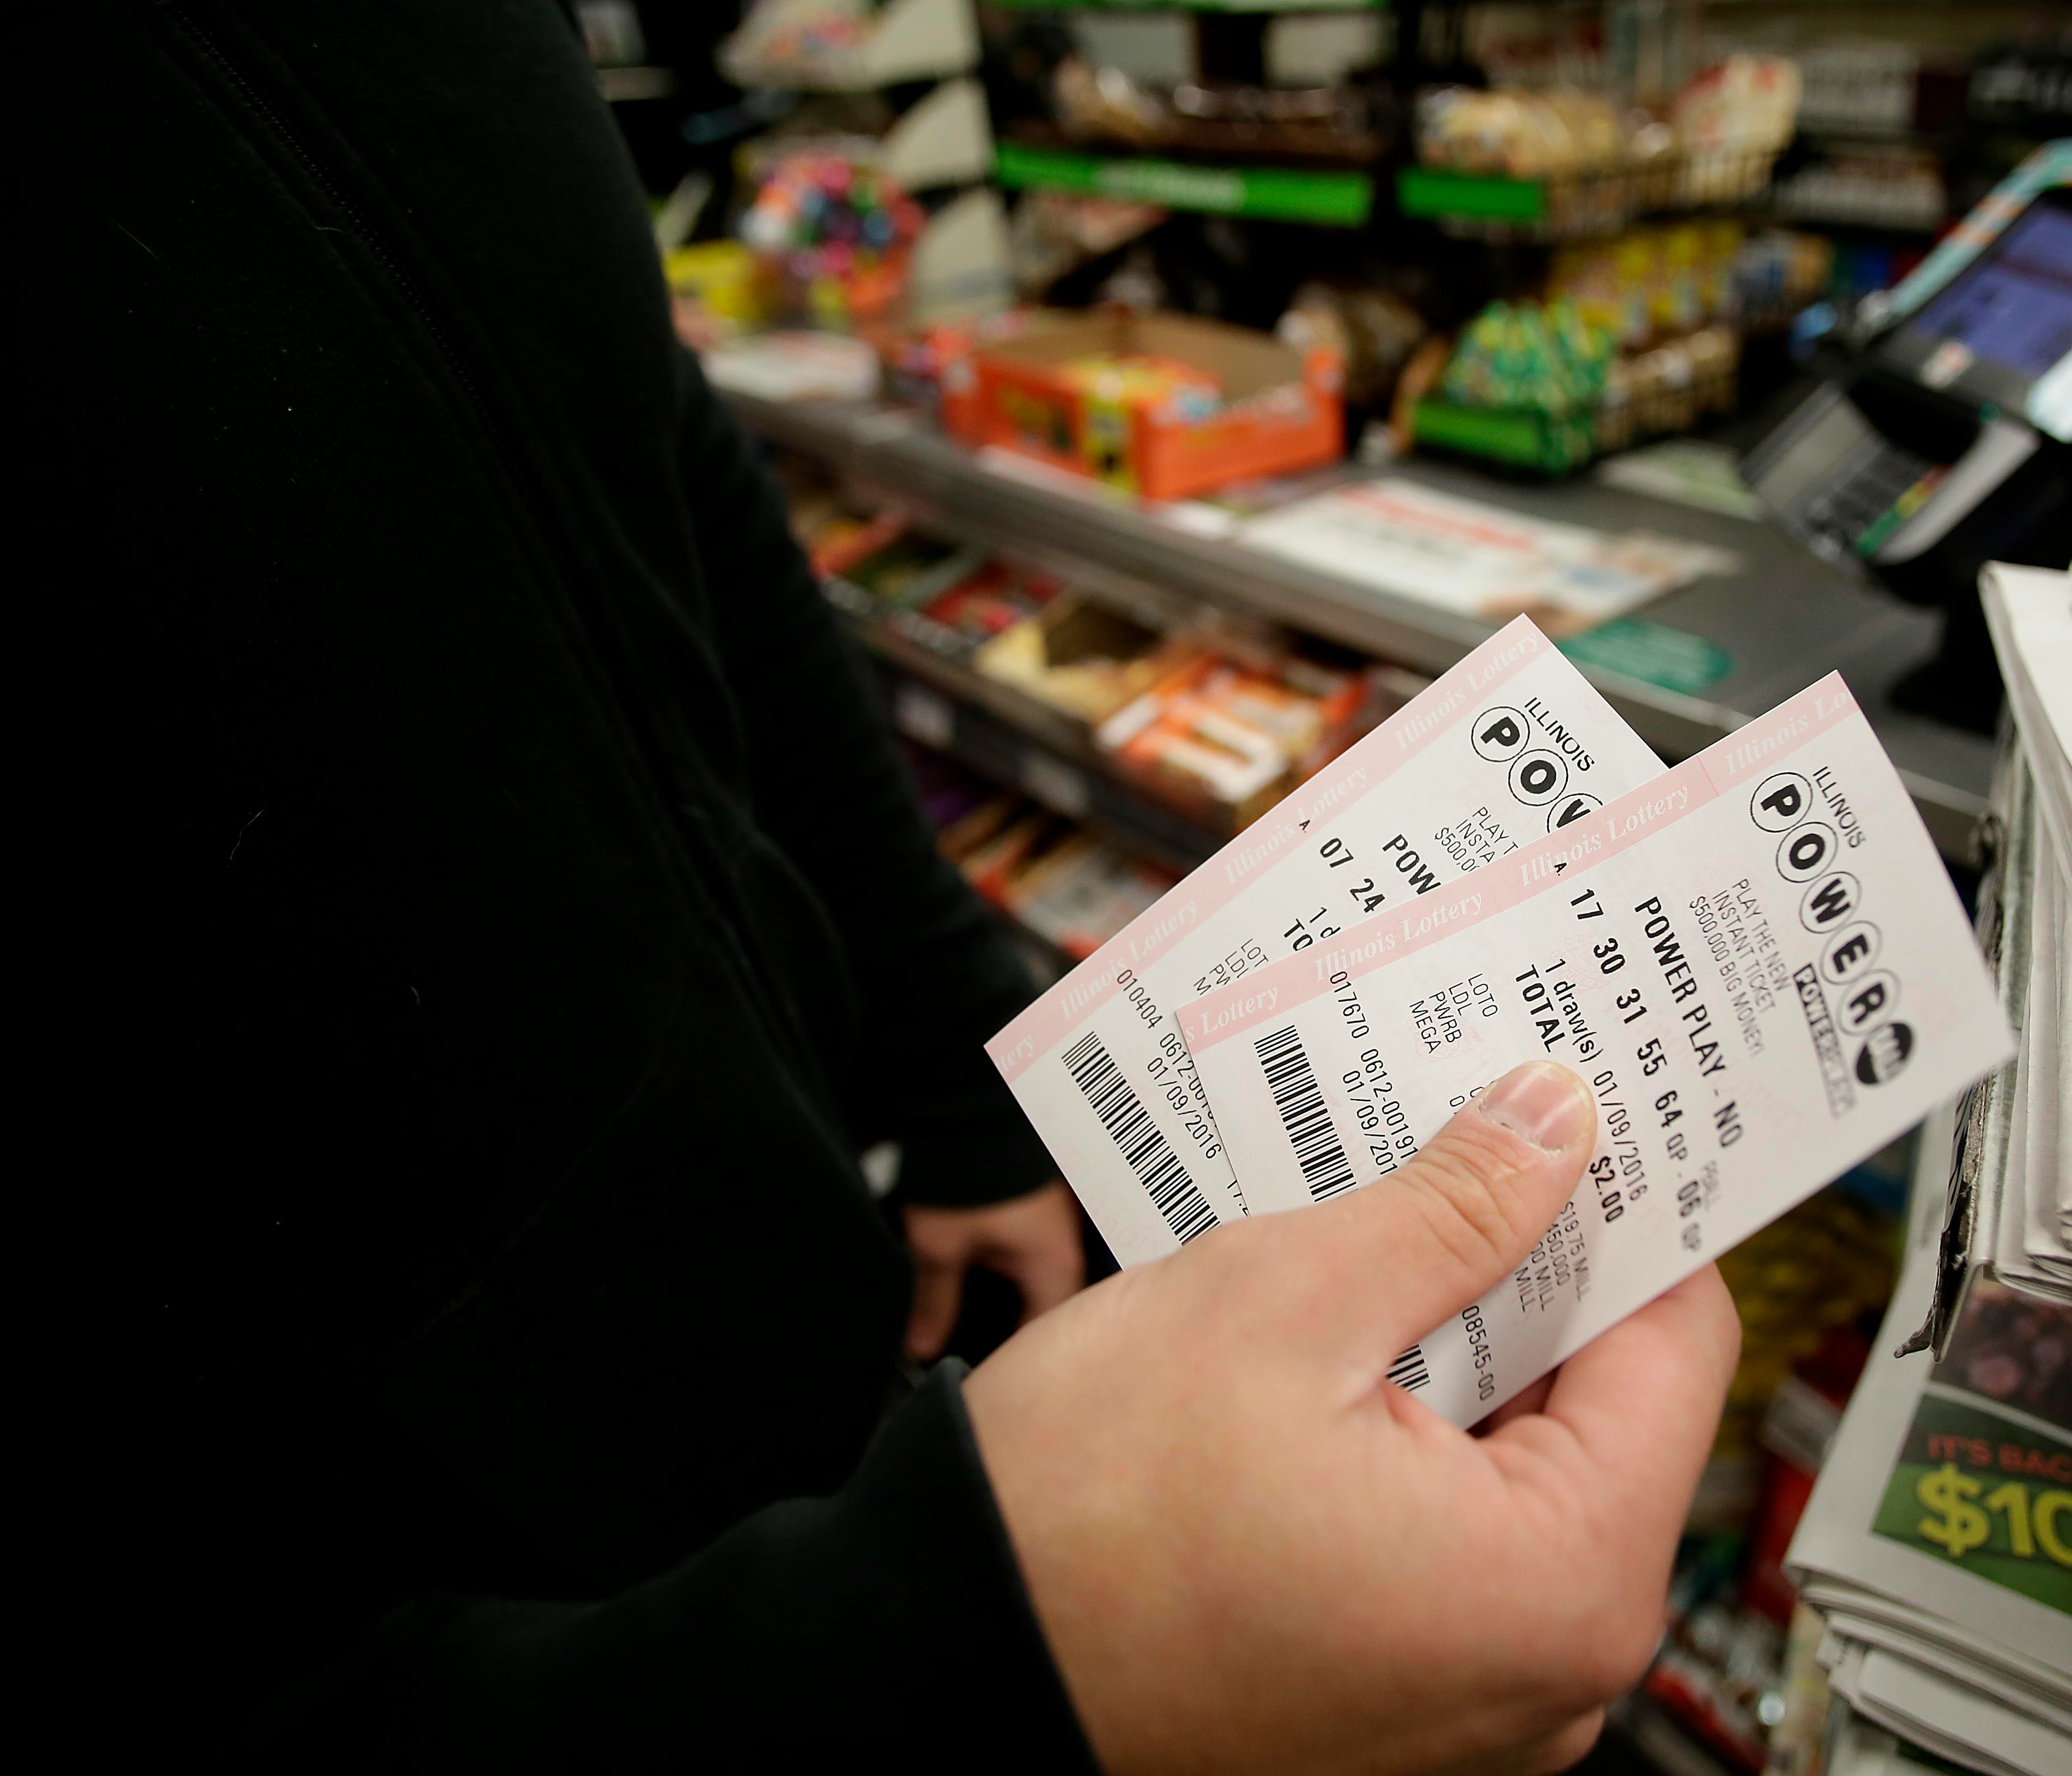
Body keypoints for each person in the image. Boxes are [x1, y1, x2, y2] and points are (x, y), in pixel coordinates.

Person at [81, 2, 1737, 1765]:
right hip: (423, 1559)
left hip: (782, 1276)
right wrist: (959, 1667)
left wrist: (957, 1061)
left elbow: (650, 456)